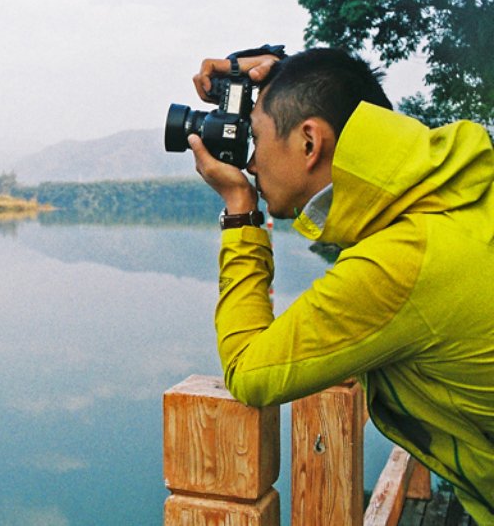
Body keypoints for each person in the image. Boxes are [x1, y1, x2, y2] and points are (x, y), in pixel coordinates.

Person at [187, 47, 494, 524]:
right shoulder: (456, 190)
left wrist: (241, 210)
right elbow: (343, 106)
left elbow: (250, 370)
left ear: (309, 142)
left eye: (257, 137)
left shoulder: (399, 262)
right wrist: (281, 69)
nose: (250, 163)